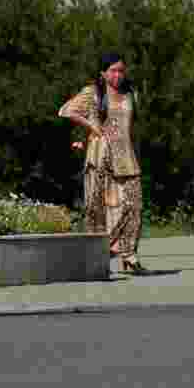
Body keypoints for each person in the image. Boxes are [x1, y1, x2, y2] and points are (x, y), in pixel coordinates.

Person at [60, 53, 146, 274]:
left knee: (133, 206)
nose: (118, 75)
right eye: (113, 71)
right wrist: (92, 127)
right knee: (97, 207)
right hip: (102, 156)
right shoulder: (94, 92)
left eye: (121, 71)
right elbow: (67, 110)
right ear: (103, 73)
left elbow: (133, 125)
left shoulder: (130, 93)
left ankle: (129, 256)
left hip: (127, 156)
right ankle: (97, 257)